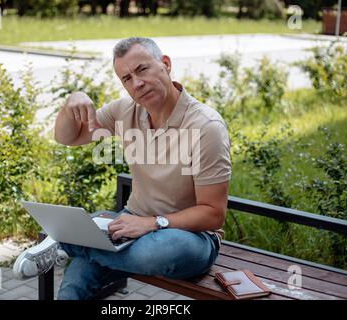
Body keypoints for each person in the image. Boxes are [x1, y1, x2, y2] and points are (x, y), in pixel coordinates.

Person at [13, 37, 231, 300]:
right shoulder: (125, 111)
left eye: (142, 69)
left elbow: (212, 215)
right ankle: (75, 246)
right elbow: (67, 137)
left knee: (155, 253)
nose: (137, 83)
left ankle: (65, 244)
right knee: (74, 286)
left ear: (165, 64)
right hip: (130, 222)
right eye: (126, 78)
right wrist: (72, 102)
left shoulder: (206, 127)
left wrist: (151, 224)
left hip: (190, 237)